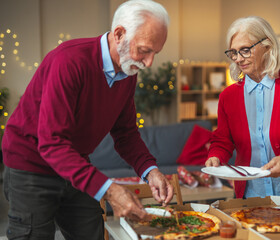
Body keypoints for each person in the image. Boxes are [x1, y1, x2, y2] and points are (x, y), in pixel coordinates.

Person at [2, 0, 173, 239]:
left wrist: (150, 170)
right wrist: (110, 190)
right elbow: (52, 143)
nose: (149, 63)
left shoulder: (128, 71)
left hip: (72, 161)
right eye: (144, 50)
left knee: (92, 232)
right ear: (119, 34)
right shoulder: (70, 61)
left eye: (155, 53)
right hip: (31, 164)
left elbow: (125, 133)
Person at [205, 16, 280, 201]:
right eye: (233, 52)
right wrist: (215, 155)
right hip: (251, 191)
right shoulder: (228, 97)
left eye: (245, 50)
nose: (238, 59)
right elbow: (223, 140)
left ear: (267, 46)